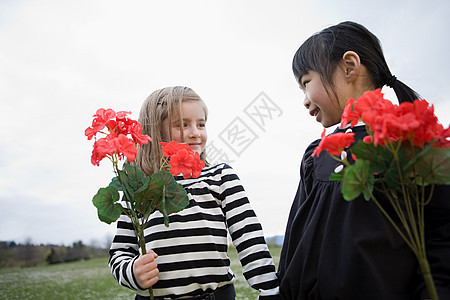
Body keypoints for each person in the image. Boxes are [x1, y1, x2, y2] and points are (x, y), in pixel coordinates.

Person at [277, 21, 450, 299]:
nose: (305, 100)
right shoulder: (316, 155)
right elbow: (295, 244)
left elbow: (442, 235)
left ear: (349, 66)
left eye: (306, 83)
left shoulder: (415, 145)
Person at [109, 86, 281, 300]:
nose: (195, 133)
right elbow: (120, 252)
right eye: (182, 124)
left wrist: (269, 290)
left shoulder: (220, 176)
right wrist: (132, 272)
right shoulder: (136, 188)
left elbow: (248, 236)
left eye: (201, 124)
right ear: (155, 131)